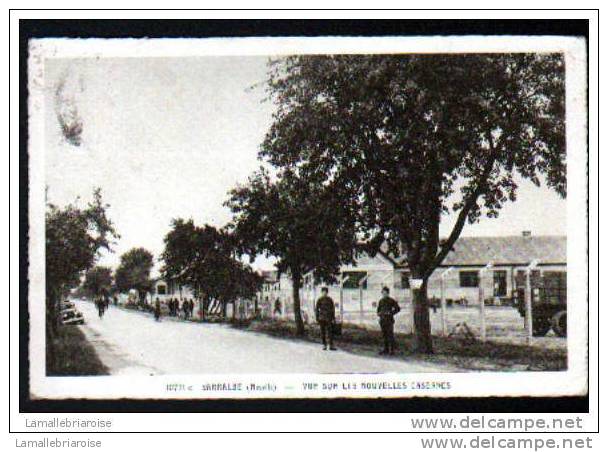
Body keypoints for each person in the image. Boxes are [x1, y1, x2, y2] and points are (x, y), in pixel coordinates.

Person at [377, 287, 401, 355]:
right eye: (383, 293)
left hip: (389, 320)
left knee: (390, 335)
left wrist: (391, 313)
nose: (384, 294)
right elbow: (378, 310)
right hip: (382, 320)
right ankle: (386, 349)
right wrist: (380, 314)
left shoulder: (391, 300)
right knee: (384, 335)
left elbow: (398, 308)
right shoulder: (381, 301)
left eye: (385, 293)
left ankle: (392, 350)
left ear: (388, 293)